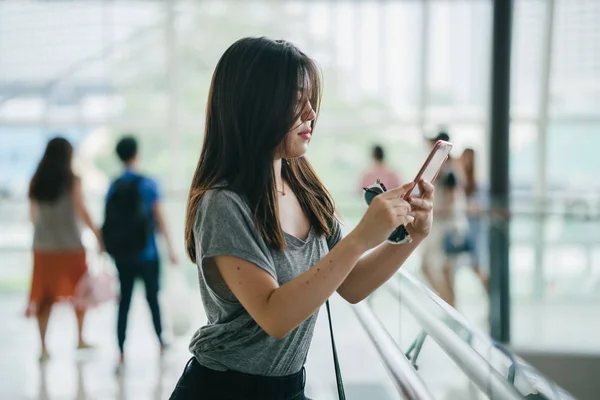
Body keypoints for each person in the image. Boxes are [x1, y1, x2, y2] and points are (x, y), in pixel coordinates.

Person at [170, 37, 434, 400]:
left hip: (288, 387)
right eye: (296, 100)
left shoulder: (302, 185)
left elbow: (351, 284)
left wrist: (411, 237)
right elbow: (274, 316)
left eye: (310, 99)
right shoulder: (223, 204)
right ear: (255, 106)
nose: (311, 113)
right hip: (225, 389)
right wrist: (360, 238)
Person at [103, 136, 178, 371]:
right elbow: (159, 217)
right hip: (148, 253)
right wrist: (170, 248)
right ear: (136, 154)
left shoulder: (113, 185)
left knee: (123, 302)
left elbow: (107, 221)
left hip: (122, 255)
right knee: (152, 299)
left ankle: (121, 352)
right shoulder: (148, 184)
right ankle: (160, 343)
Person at [26, 136, 103, 362]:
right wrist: (98, 235)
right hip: (70, 246)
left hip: (43, 248)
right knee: (79, 292)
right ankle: (79, 339)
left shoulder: (36, 180)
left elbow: (32, 216)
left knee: (44, 297)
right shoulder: (71, 179)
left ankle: (43, 347)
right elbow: (82, 209)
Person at [420, 131, 469, 307]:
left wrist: (433, 208)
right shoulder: (444, 169)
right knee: (444, 271)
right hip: (444, 226)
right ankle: (449, 305)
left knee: (444, 270)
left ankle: (450, 305)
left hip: (447, 228)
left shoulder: (449, 170)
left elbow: (452, 201)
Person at [459, 148, 489, 291]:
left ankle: (492, 303)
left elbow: (480, 209)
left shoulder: (479, 186)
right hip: (464, 230)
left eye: (469, 159)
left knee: (480, 267)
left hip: (476, 231)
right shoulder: (460, 182)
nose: (466, 162)